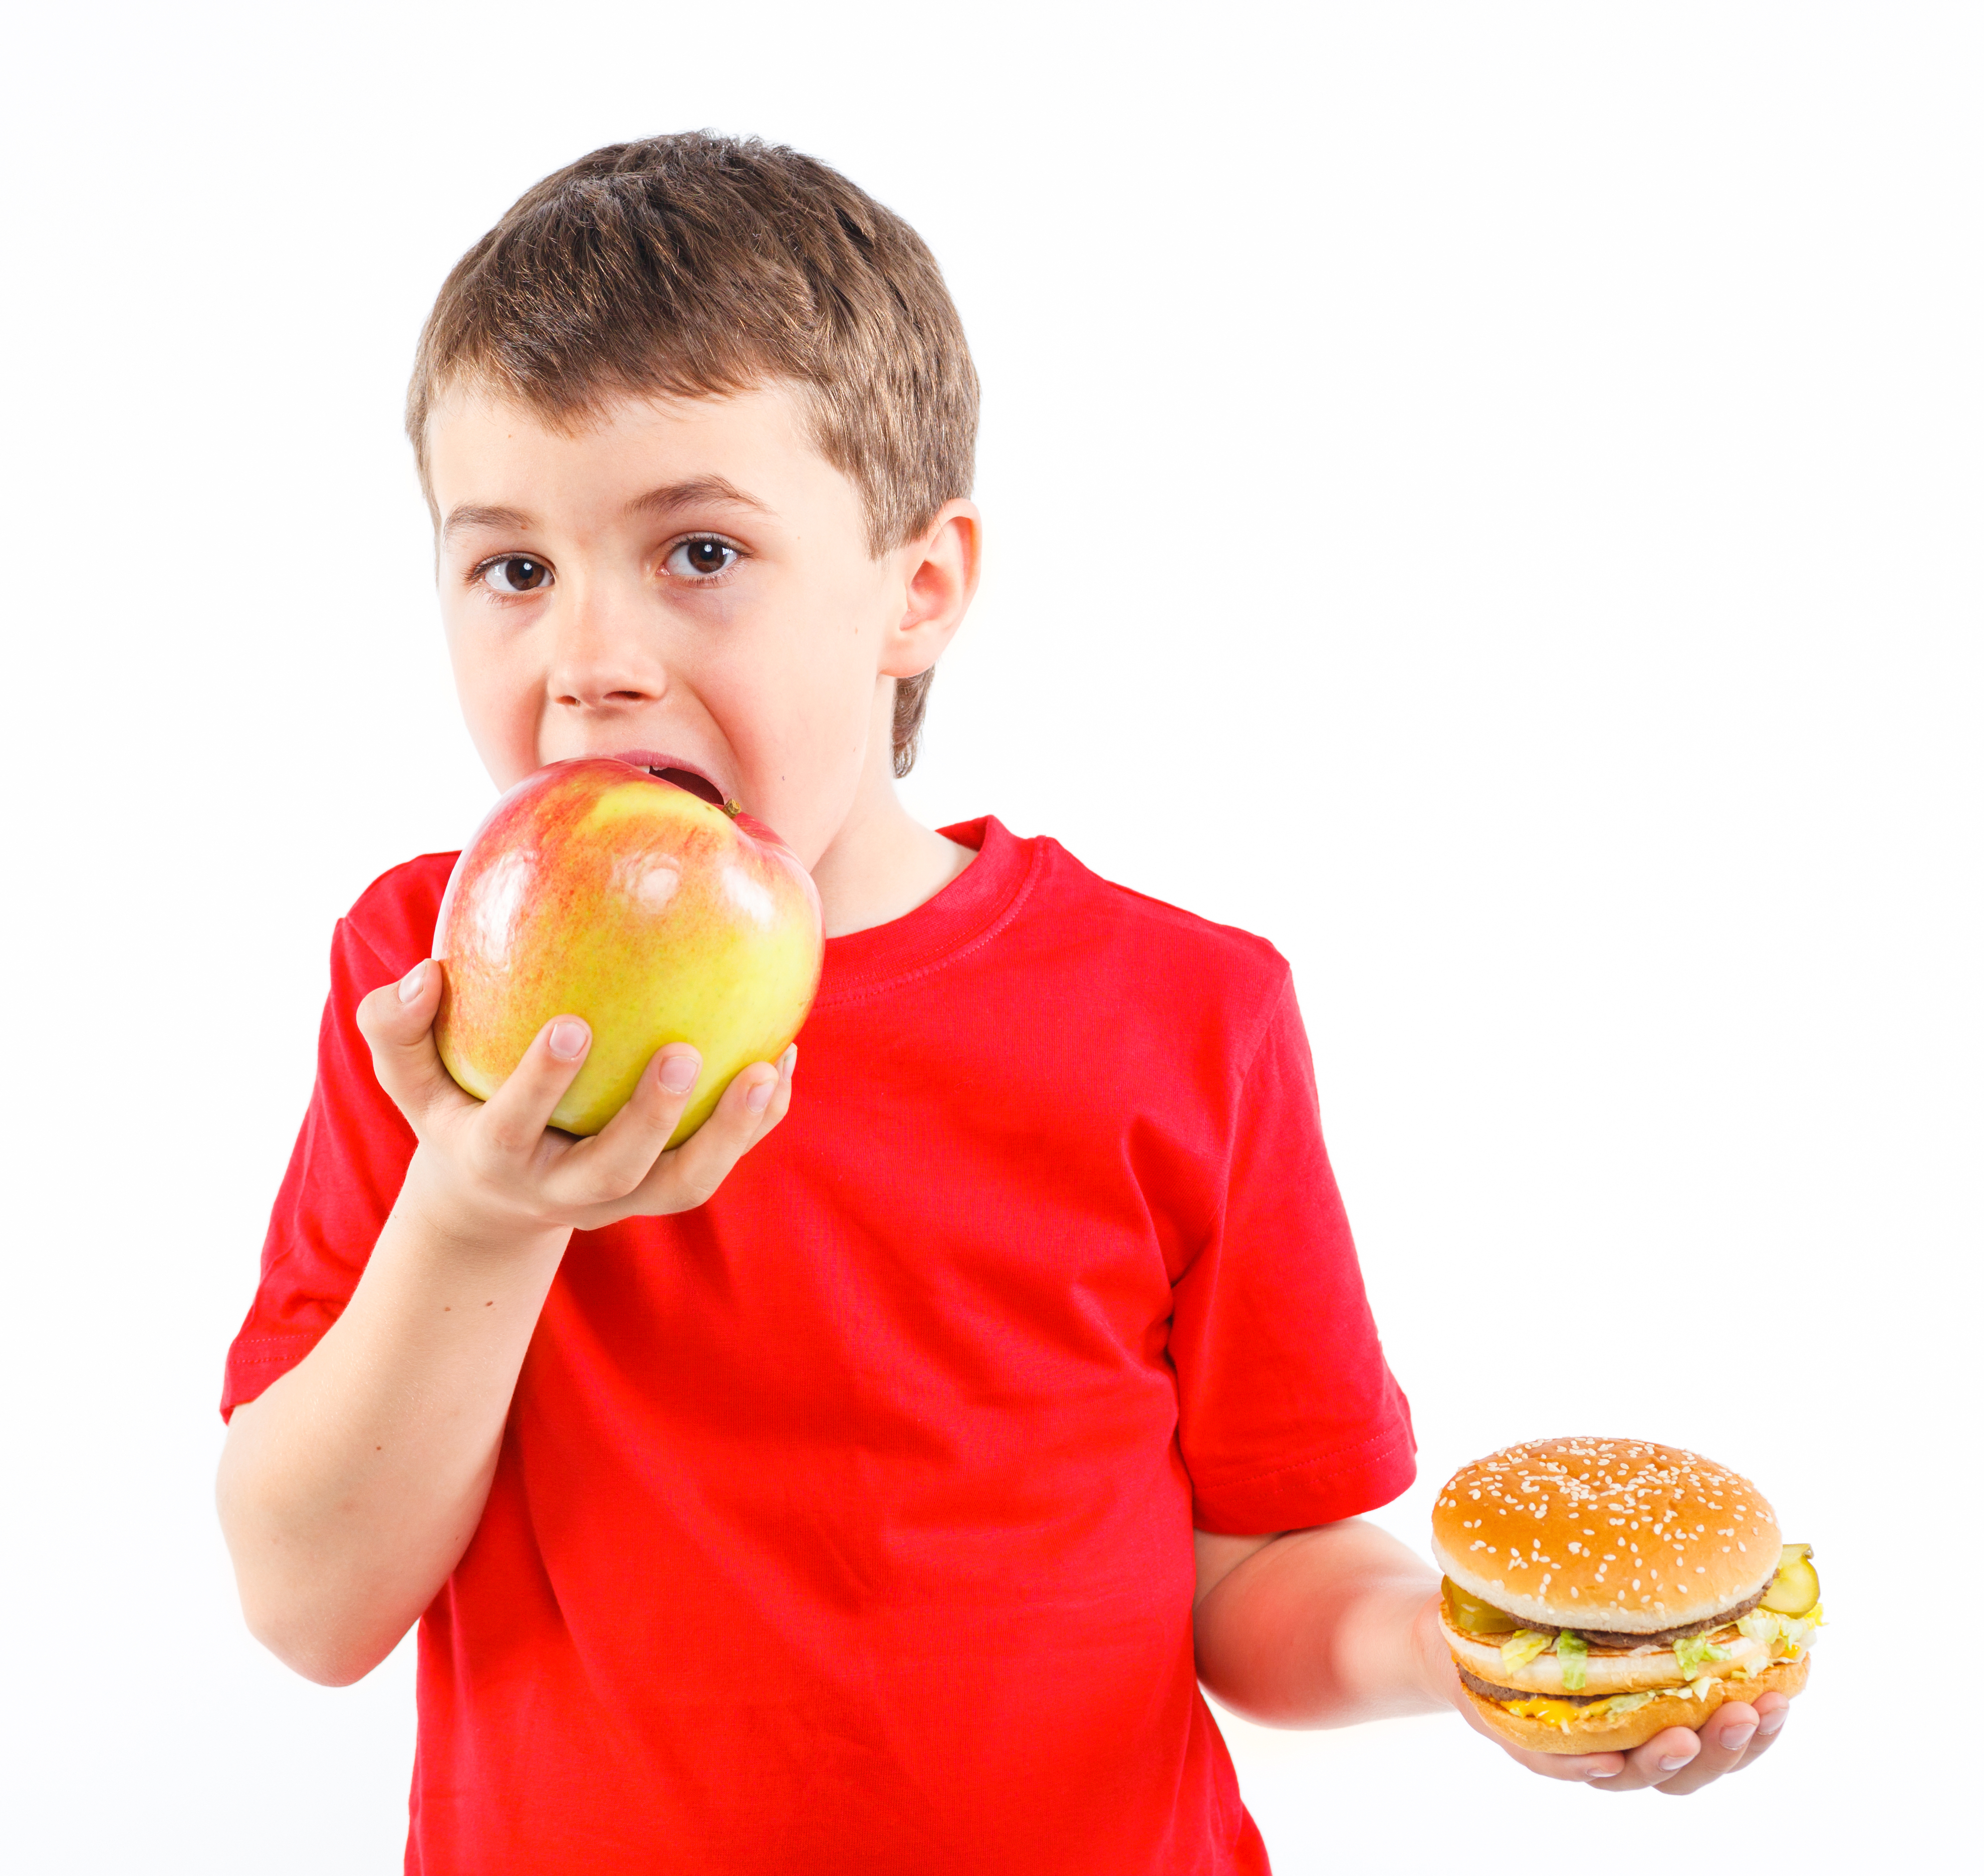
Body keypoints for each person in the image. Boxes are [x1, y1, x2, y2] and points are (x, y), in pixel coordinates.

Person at [215, 133, 1791, 1873]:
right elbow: (310, 1607)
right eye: (512, 568)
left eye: (702, 553)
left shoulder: (1185, 1015)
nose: (591, 654)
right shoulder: (432, 991)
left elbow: (1253, 1578)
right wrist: (479, 1208)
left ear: (920, 588)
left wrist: (1471, 1656)